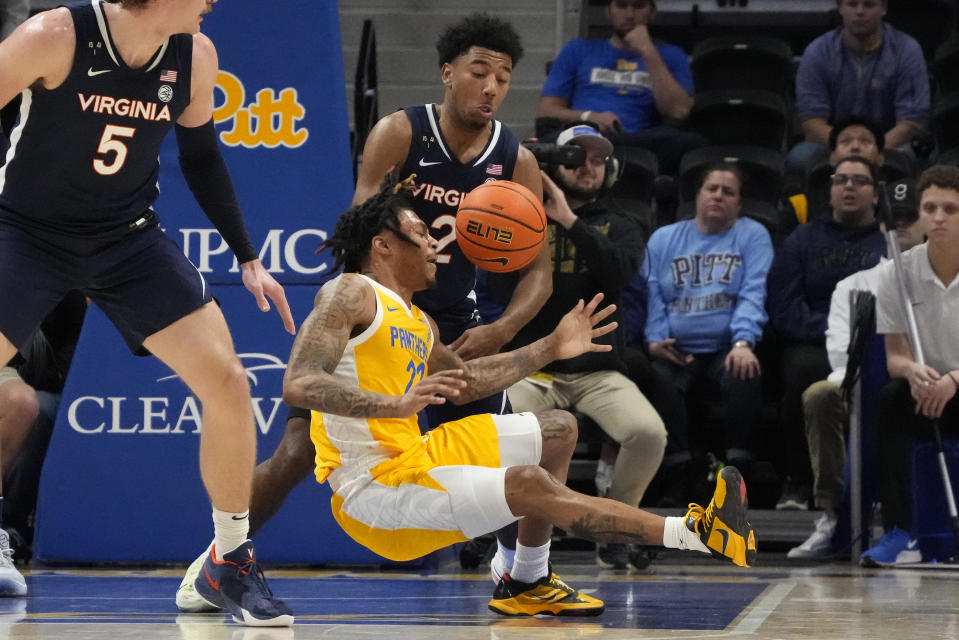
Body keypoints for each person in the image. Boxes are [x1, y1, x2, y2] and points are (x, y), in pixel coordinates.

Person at [176, 12, 552, 613]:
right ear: (448, 72)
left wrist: (504, 328)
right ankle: (220, 558)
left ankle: (522, 575)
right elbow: (362, 234)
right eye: (479, 72)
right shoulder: (401, 133)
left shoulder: (517, 161)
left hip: (454, 326)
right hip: (372, 320)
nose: (491, 88)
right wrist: (384, 316)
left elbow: (539, 269)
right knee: (297, 452)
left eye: (504, 79)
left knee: (509, 446)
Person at [282, 174, 756, 616]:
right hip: (373, 491)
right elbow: (300, 382)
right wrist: (395, 405)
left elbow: (467, 382)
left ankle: (526, 581)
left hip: (414, 456)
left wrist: (550, 346)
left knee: (558, 430)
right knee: (529, 483)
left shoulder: (418, 320)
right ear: (382, 246)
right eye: (421, 233)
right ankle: (698, 534)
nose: (434, 242)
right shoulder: (349, 292)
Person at [0, 0, 294, 625]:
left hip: (125, 239)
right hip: (25, 233)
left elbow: (202, 157)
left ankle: (230, 559)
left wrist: (247, 257)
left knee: (229, 382)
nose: (213, 1)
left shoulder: (196, 56)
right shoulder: (53, 35)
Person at [483, 123, 666, 571]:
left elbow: (619, 273)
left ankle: (614, 528)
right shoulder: (519, 216)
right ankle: (499, 529)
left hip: (598, 369)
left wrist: (568, 219)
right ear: (551, 164)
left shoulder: (622, 221)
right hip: (534, 365)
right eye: (576, 157)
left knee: (648, 434)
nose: (588, 166)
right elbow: (492, 277)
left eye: (599, 160)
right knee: (494, 433)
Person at [787, 179, 924, 559]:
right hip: (864, 389)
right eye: (893, 218)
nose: (901, 225)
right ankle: (835, 512)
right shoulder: (852, 286)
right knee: (821, 394)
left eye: (911, 216)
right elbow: (840, 357)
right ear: (880, 224)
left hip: (934, 387)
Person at [642, 163, 773, 504]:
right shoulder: (664, 239)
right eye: (711, 188)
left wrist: (744, 342)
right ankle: (679, 474)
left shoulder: (752, 234)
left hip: (726, 346)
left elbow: (753, 292)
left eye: (728, 191)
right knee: (657, 378)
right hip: (675, 349)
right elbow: (653, 292)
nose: (718, 195)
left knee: (744, 373)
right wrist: (655, 340)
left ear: (739, 205)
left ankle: (738, 477)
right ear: (697, 196)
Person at [767, 156, 887, 511]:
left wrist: (860, 337)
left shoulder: (888, 241)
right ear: (831, 192)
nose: (848, 186)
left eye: (859, 181)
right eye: (841, 180)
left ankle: (875, 485)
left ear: (876, 195)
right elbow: (784, 306)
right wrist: (832, 330)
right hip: (813, 340)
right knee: (802, 371)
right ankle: (800, 482)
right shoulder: (802, 240)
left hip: (875, 339)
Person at [859, 165, 959, 567]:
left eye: (950, 209)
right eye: (929, 207)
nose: (938, 217)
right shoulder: (898, 273)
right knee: (889, 400)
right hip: (925, 388)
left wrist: (953, 380)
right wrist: (912, 372)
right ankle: (899, 529)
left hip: (956, 383)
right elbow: (896, 356)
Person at [537, 0, 704, 175]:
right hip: (584, 135)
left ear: (652, 13)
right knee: (544, 145)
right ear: (608, 11)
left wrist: (648, 52)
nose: (630, 15)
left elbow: (679, 112)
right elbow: (547, 111)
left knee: (692, 144)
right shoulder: (578, 50)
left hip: (640, 140)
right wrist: (589, 116)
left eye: (638, 7)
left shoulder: (671, 55)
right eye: (622, 6)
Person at [786, 0, 929, 180]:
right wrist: (848, 146)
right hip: (831, 142)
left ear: (883, 8)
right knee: (799, 158)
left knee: (905, 160)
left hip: (889, 142)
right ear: (840, 8)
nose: (860, 12)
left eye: (869, 5)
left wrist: (871, 147)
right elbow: (811, 122)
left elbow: (910, 123)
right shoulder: (818, 51)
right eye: (852, 4)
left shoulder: (906, 50)